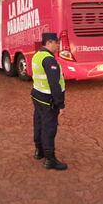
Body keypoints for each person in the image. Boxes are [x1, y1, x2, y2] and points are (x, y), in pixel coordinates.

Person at [30, 33, 67, 170]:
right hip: (48, 100)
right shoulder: (49, 60)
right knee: (49, 128)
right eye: (56, 43)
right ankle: (50, 159)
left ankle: (39, 151)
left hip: (37, 96)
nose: (58, 46)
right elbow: (54, 84)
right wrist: (60, 104)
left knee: (38, 123)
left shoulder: (37, 55)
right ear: (49, 42)